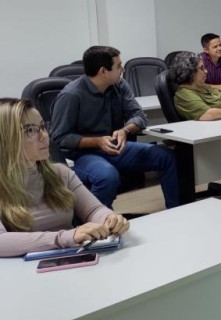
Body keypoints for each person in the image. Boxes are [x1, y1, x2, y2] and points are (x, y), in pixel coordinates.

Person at [50, 46, 180, 209]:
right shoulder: (71, 95)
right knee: (107, 175)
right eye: (118, 66)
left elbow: (139, 115)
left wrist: (125, 130)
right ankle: (95, 221)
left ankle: (175, 210)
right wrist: (97, 141)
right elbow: (60, 138)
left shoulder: (119, 85)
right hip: (80, 155)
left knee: (165, 156)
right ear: (103, 71)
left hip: (113, 147)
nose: (123, 69)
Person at [0, 98, 129, 257]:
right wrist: (65, 237)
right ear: (5, 139)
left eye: (42, 127)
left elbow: (94, 210)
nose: (44, 135)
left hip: (71, 259)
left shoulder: (61, 173)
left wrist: (109, 219)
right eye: (30, 130)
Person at [170, 52, 221, 121]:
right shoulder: (183, 95)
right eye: (201, 68)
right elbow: (207, 114)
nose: (206, 71)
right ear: (190, 72)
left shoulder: (203, 86)